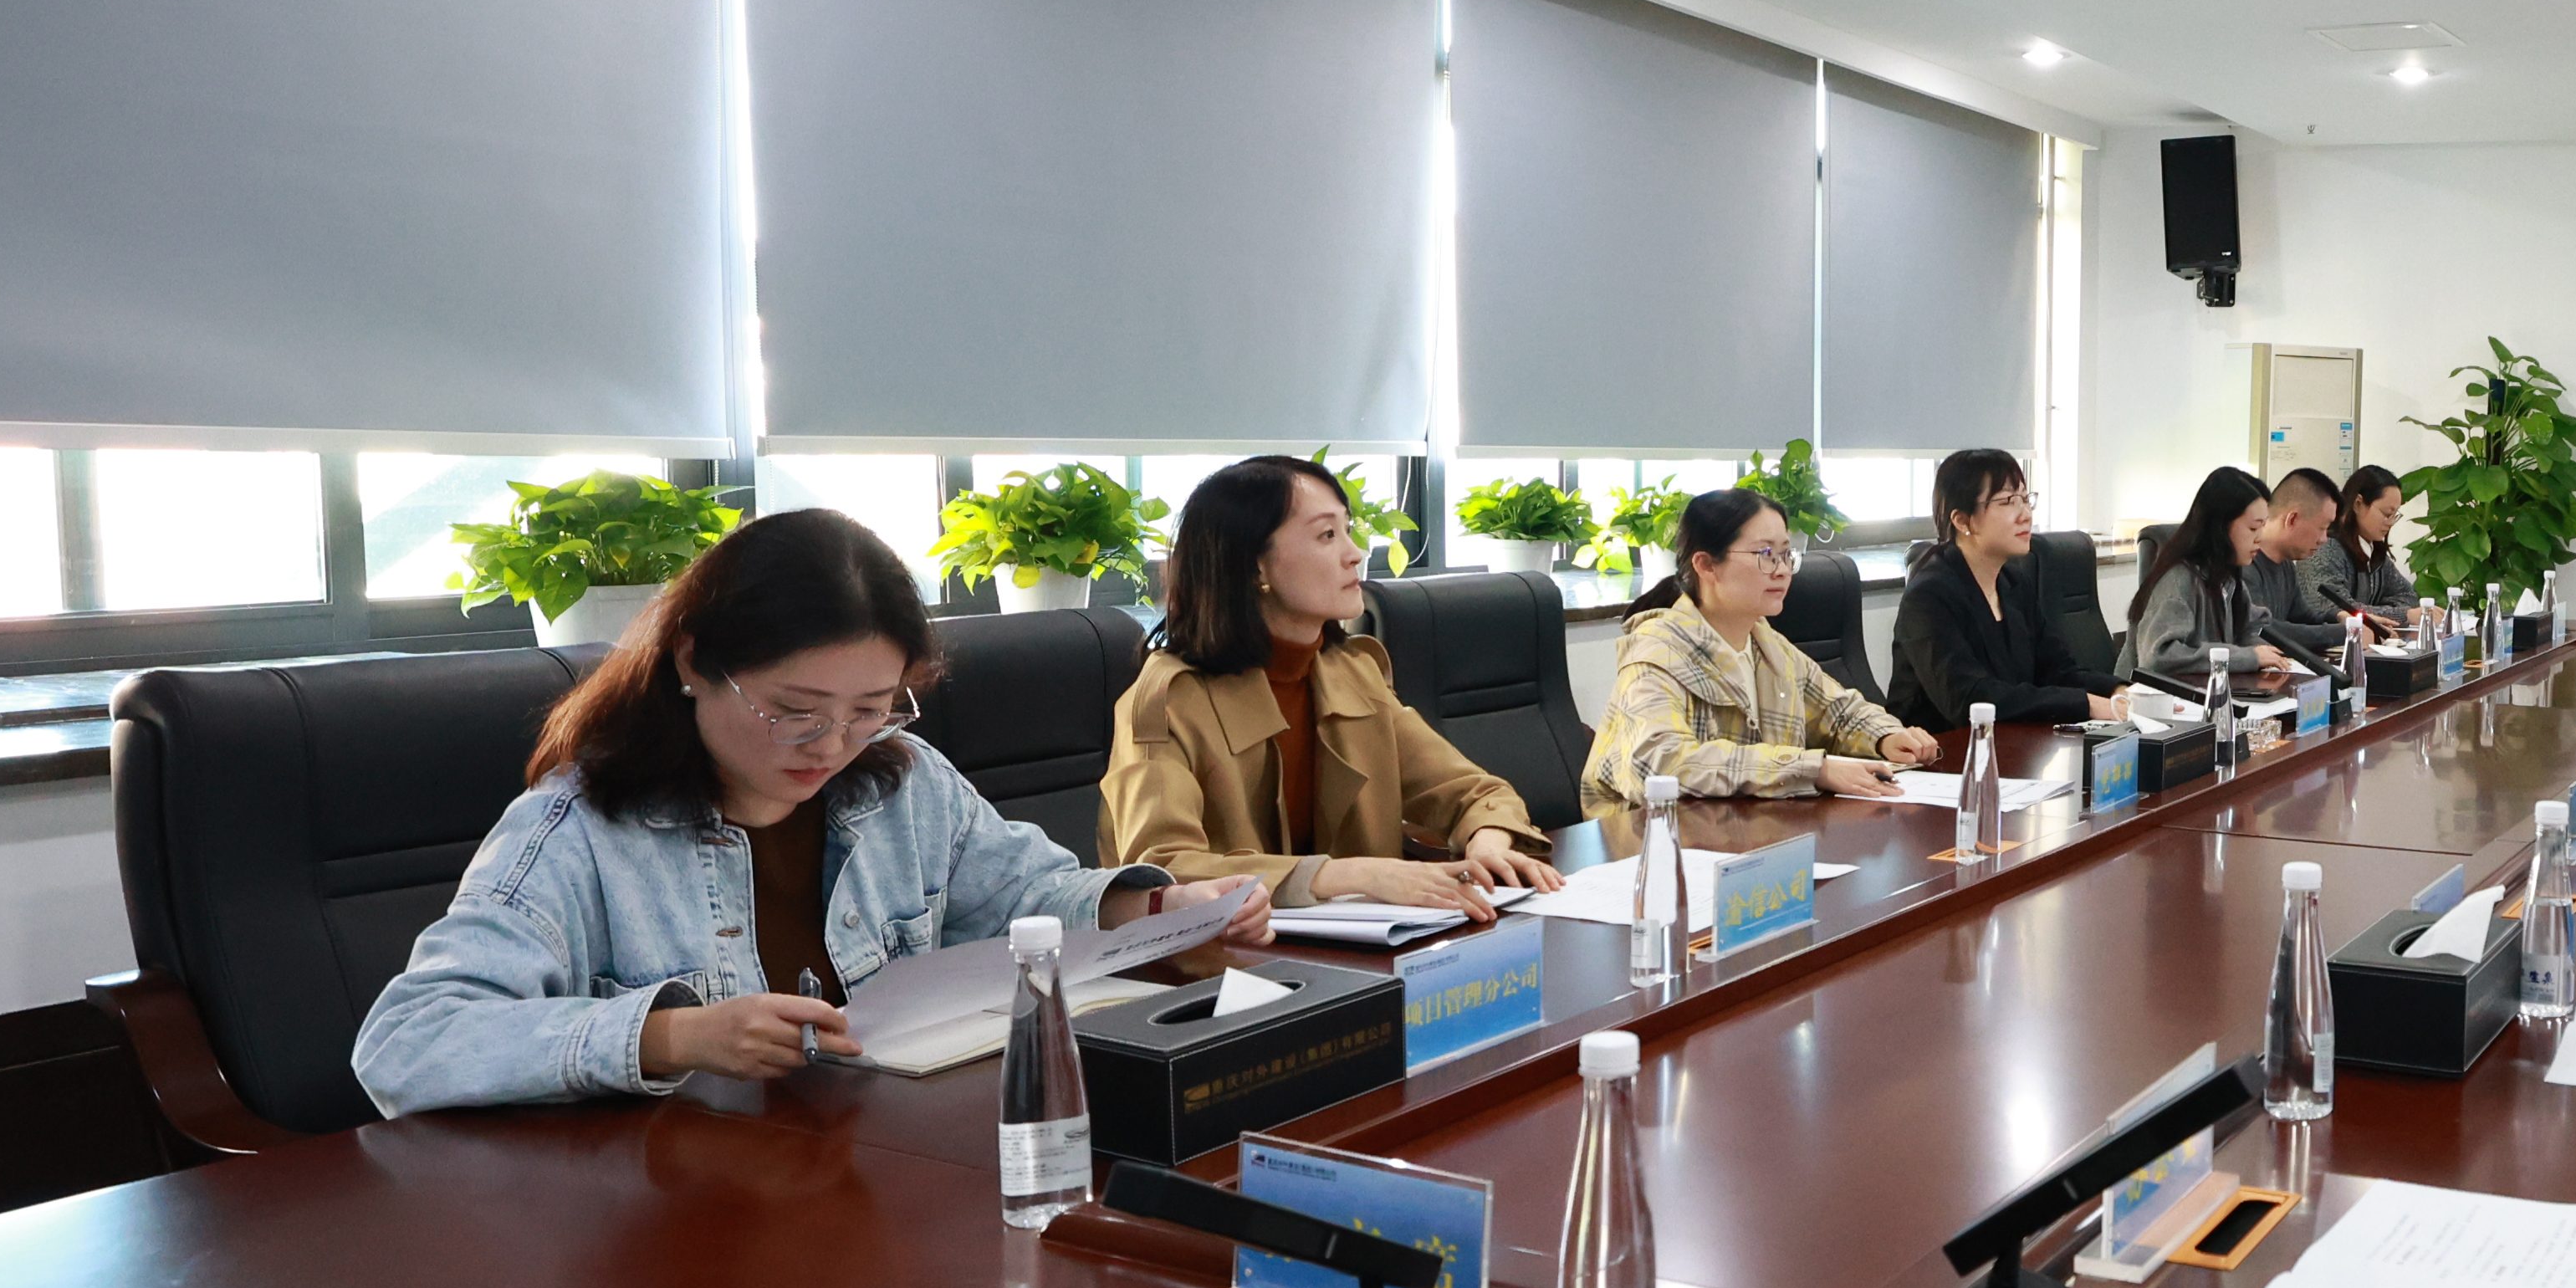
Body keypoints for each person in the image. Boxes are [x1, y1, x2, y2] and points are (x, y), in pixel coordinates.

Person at [356, 509, 1256, 1112]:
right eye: (794, 710)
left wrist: (1158, 909)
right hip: (678, 1218)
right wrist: (673, 1036)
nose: (830, 745)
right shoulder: (578, 829)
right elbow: (407, 1041)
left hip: (881, 1173)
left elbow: (1028, 893)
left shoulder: (904, 783)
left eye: (871, 709)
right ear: (693, 662)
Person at [1099, 455, 1564, 926]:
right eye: (1326, 535)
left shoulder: (1351, 673)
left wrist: (1487, 843)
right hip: (1223, 958)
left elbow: (1472, 792)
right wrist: (1351, 875)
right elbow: (1163, 871)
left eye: (1348, 530)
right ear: (1255, 566)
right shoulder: (1168, 701)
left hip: (1362, 953)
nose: (1355, 553)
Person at [1582, 488, 1935, 817]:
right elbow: (1662, 762)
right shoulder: (1657, 651)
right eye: (1765, 555)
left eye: (1786, 555)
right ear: (1706, 565)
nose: (1782, 571)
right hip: (1655, 839)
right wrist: (1812, 769)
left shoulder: (1765, 643)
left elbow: (1838, 712)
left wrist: (1885, 736)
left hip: (1748, 828)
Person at [1888, 446, 2095, 736]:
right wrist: (2086, 704)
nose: (2025, 515)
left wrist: (2123, 692)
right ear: (1962, 520)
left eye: (2025, 499)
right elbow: (1968, 699)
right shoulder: (1928, 596)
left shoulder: (2014, 583)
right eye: (2008, 501)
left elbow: (2058, 671)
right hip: (1940, 753)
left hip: (2011, 744)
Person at [2124, 465, 2305, 686]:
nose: (2260, 538)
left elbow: (2248, 628)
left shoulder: (2227, 577)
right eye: (2253, 528)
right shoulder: (2178, 579)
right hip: (2145, 699)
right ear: (2221, 526)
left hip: (2204, 692)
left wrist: (2264, 653)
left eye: (2263, 527)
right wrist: (2247, 657)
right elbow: (2158, 657)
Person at [2241, 468, 2355, 665]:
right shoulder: (2244, 564)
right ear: (2292, 519)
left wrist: (2339, 617)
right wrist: (2345, 632)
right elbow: (2263, 629)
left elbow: (2301, 617)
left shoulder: (2285, 564)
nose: (2324, 539)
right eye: (2322, 528)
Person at [2305, 463, 2421, 634]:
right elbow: (2335, 607)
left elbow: (2409, 596)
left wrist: (2378, 611)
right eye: (2387, 514)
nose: (2390, 523)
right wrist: (2403, 615)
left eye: (2395, 515)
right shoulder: (2324, 549)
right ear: (2358, 504)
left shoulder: (2374, 552)